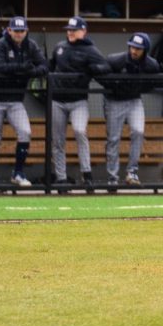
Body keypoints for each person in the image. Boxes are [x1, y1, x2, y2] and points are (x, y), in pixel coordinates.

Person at [50, 16, 111, 193]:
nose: (70, 32)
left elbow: (105, 67)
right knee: (58, 140)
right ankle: (61, 178)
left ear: (83, 31)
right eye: (68, 29)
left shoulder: (90, 49)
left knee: (79, 131)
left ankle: (87, 174)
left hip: (78, 101)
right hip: (58, 100)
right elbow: (51, 67)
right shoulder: (60, 47)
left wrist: (90, 70)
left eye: (74, 29)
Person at [0, 16, 48, 187]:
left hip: (15, 99)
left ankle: (18, 173)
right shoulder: (1, 44)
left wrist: (31, 71)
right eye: (16, 31)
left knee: (25, 132)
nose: (19, 34)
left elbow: (44, 66)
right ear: (9, 30)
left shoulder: (31, 45)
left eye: (22, 31)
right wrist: (22, 69)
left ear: (26, 31)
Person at [104, 32, 162, 188]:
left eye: (139, 48)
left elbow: (157, 80)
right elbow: (101, 76)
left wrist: (141, 86)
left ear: (145, 50)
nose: (134, 51)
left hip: (134, 101)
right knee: (113, 139)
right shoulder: (116, 60)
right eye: (132, 47)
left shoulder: (151, 64)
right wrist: (116, 85)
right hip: (114, 101)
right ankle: (112, 177)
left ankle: (132, 172)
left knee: (138, 131)